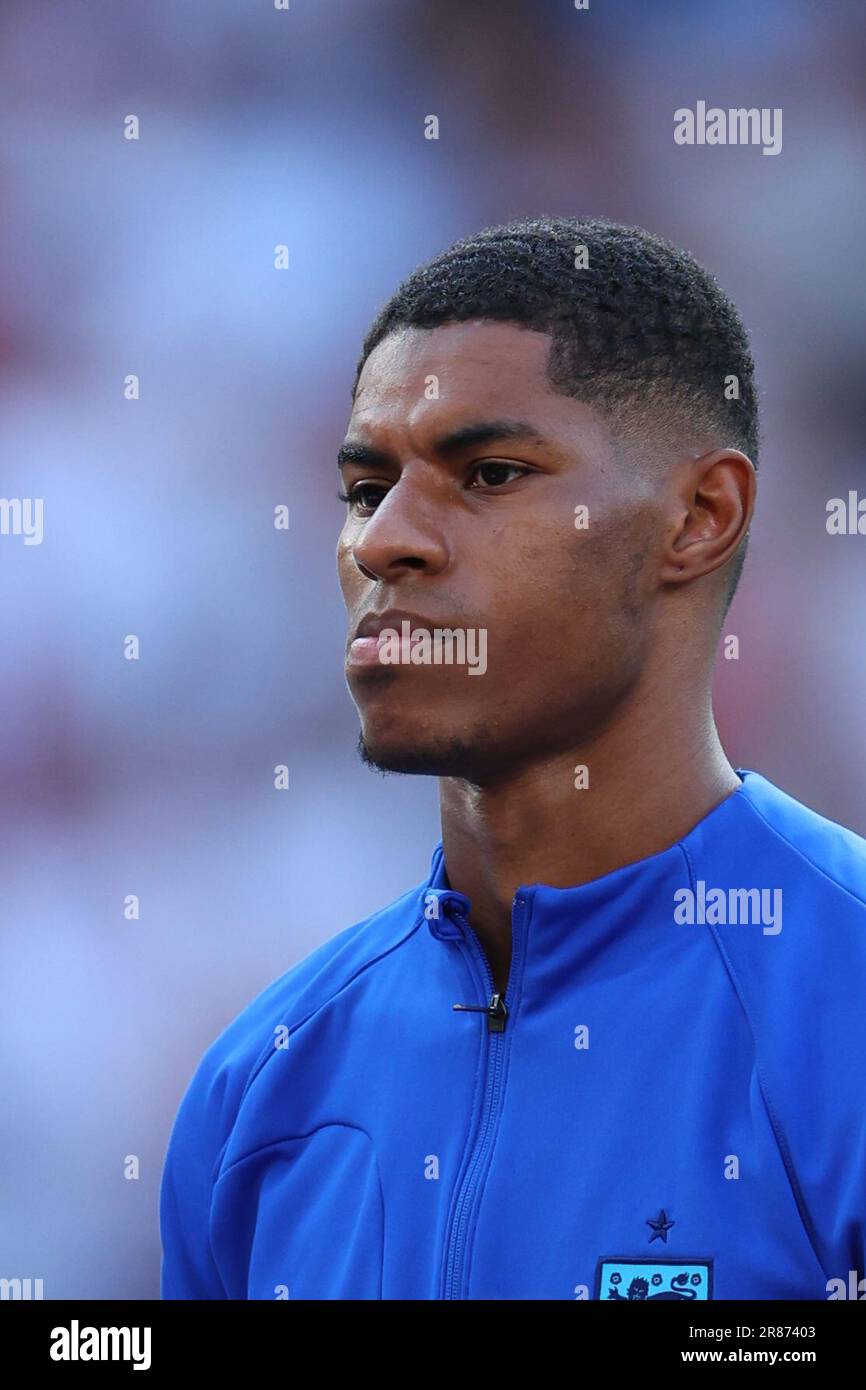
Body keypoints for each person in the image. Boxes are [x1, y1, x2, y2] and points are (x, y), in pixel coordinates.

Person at [160, 216, 866, 1300]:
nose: (383, 541)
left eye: (487, 473)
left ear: (697, 516)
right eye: (362, 489)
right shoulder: (261, 1084)